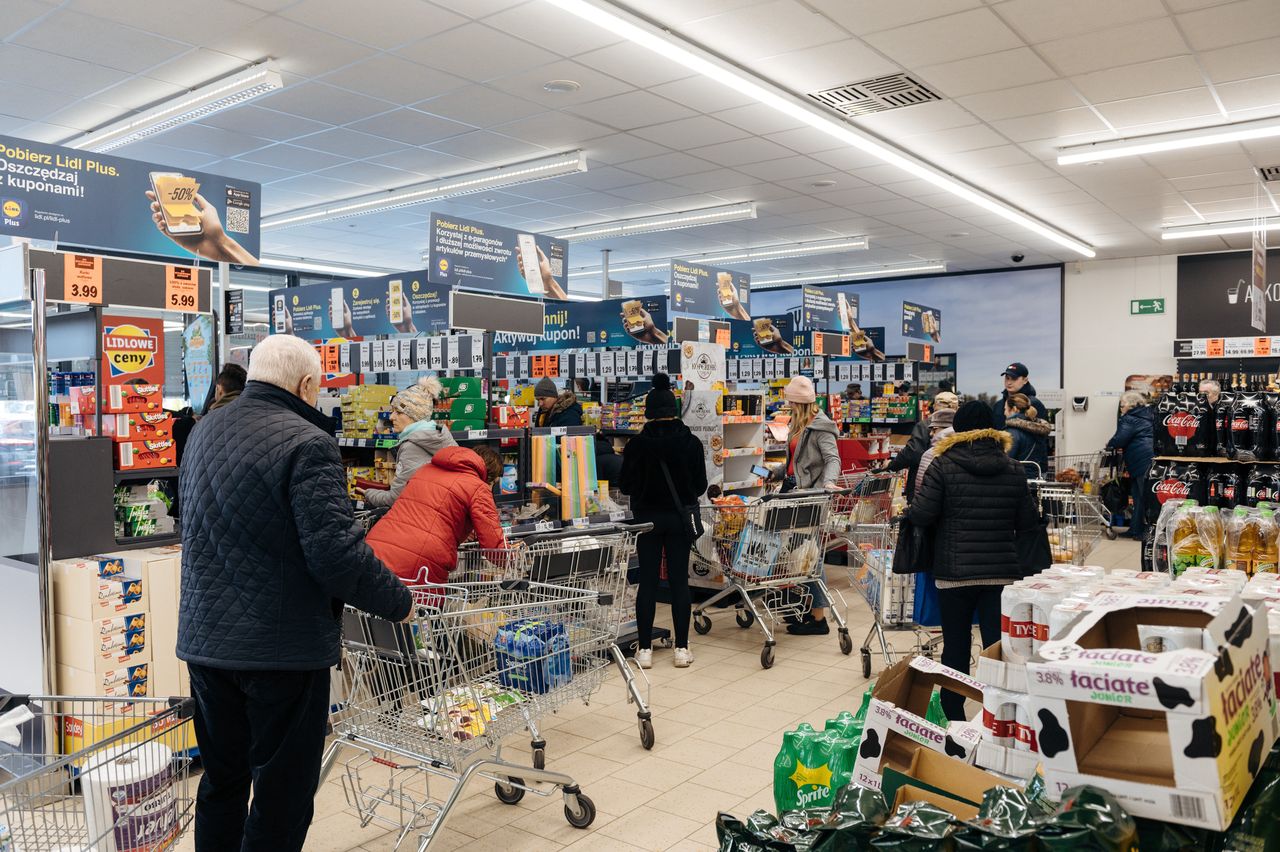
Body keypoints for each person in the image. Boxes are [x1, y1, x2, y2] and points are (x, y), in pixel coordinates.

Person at [177, 334, 412, 852]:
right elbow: (335, 555)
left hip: (206, 642)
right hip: (280, 651)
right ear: (306, 384)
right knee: (281, 796)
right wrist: (398, 601)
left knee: (222, 781)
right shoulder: (307, 441)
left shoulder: (203, 431)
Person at [907, 401, 1038, 721]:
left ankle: (954, 713)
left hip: (954, 573)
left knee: (956, 646)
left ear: (959, 429)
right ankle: (1000, 713)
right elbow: (1028, 523)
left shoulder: (942, 464)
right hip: (1001, 573)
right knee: (996, 646)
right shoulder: (1013, 467)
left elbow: (923, 513)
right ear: (994, 429)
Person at [619, 373, 707, 669]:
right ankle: (681, 649)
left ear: (649, 412)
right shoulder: (691, 443)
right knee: (680, 582)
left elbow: (626, 486)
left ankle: (644, 650)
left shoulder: (635, 446)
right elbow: (700, 486)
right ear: (674, 410)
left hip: (647, 522)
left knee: (647, 582)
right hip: (679, 520)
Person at [366, 445, 506, 582]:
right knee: (424, 603)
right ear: (488, 476)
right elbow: (493, 545)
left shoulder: (425, 471)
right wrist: (514, 558)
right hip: (419, 560)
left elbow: (428, 512)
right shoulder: (478, 487)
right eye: (493, 483)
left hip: (375, 546)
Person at [773, 375, 841, 636]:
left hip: (810, 497)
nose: (787, 405)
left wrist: (829, 484)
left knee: (809, 557)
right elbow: (795, 463)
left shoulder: (820, 427)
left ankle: (820, 617)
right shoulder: (797, 424)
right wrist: (776, 473)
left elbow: (832, 459)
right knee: (796, 554)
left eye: (790, 401)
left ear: (798, 402)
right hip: (791, 492)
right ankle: (801, 608)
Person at [359, 378, 456, 511]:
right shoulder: (441, 437)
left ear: (414, 416)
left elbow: (396, 499)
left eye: (398, 412)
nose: (391, 417)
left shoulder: (413, 447)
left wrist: (368, 493)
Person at [887, 391, 960, 499]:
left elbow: (913, 452)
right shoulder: (961, 425)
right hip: (954, 486)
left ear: (935, 406)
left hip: (925, 484)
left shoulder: (926, 425)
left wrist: (891, 465)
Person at [1106, 392, 1155, 541]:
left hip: (1140, 459)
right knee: (1139, 496)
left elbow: (1120, 438)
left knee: (1141, 496)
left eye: (1123, 405)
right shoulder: (1148, 414)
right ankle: (1135, 529)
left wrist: (1110, 444)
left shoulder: (1129, 418)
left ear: (1131, 406)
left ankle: (1141, 531)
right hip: (1148, 457)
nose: (1121, 408)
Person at [1003, 392, 1051, 478]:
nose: (1004, 413)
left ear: (1014, 409)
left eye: (1005, 409)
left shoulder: (1012, 432)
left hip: (1018, 479)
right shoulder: (1038, 429)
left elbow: (1006, 460)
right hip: (1035, 477)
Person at [991, 362, 1047, 428]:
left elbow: (1041, 434)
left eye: (1014, 378)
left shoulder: (1034, 404)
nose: (1009, 382)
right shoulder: (998, 405)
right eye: (1007, 378)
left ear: (1025, 380)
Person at [915, 406, 956, 486]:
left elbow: (921, 487)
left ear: (945, 429)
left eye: (934, 429)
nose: (930, 434)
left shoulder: (931, 454)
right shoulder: (966, 449)